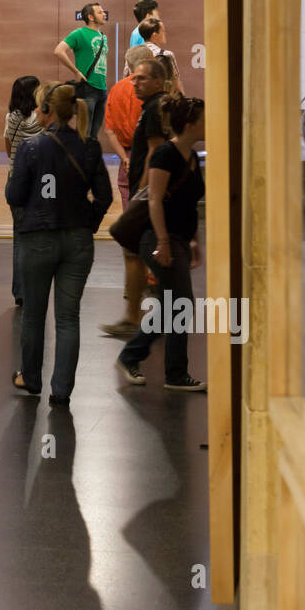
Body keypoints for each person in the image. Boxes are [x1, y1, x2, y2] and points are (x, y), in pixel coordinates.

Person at [7, 83, 112, 404]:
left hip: (38, 238)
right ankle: (62, 390)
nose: (37, 113)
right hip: (78, 241)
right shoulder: (90, 147)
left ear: (49, 111)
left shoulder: (31, 148)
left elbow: (14, 195)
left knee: (34, 314)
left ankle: (31, 377)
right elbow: (104, 197)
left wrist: (28, 218)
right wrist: (87, 223)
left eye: (40, 108)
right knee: (68, 318)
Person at [117, 96, 207, 392]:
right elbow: (154, 199)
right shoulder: (165, 155)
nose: (209, 123)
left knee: (174, 305)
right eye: (205, 119)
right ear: (192, 123)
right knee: (181, 304)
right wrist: (164, 242)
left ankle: (136, 356)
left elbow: (188, 204)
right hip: (157, 239)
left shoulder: (191, 156)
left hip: (179, 238)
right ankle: (173, 373)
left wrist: (193, 241)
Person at [99, 57, 169, 339]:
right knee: (137, 249)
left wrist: (142, 191)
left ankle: (136, 317)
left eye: (141, 78)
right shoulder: (150, 106)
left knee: (133, 246)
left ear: (157, 81)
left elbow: (155, 152)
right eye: (134, 77)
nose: (134, 82)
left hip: (147, 191)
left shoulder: (155, 108)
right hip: (147, 190)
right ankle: (139, 315)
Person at [4, 75, 42, 306]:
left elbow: (9, 150)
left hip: (15, 180)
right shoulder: (41, 118)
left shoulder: (11, 117)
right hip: (37, 183)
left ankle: (20, 292)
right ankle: (36, 289)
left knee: (19, 237)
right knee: (37, 238)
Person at [103, 45, 154, 210]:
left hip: (126, 155)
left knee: (127, 199)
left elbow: (109, 130)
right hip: (149, 154)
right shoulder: (151, 88)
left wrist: (124, 158)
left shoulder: (116, 89)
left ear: (128, 63)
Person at [54, 2, 109, 142]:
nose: (104, 14)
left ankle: (89, 161)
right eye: (100, 12)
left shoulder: (103, 36)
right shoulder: (79, 33)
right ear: (90, 17)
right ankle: (80, 162)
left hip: (102, 88)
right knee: (84, 133)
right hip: (87, 88)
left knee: (94, 136)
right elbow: (59, 51)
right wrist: (76, 71)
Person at [139, 16, 183, 94]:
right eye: (163, 31)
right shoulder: (166, 55)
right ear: (154, 35)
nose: (165, 34)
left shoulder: (133, 54)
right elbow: (176, 83)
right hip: (161, 100)